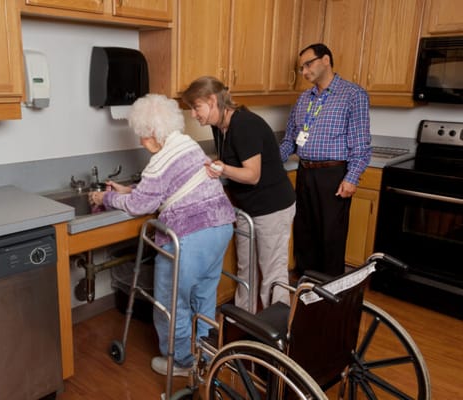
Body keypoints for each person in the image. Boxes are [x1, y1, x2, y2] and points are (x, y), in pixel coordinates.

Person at [89, 93, 235, 377]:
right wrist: (127, 189)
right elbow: (164, 188)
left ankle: (180, 362)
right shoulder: (187, 146)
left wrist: (105, 198)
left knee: (171, 303)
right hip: (221, 227)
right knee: (204, 295)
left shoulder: (159, 163)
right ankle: (206, 357)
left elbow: (139, 205)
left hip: (189, 238)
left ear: (155, 132)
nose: (142, 142)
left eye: (143, 136)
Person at [181, 76, 296, 312]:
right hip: (246, 209)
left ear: (213, 101)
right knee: (246, 270)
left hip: (272, 208)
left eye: (196, 107)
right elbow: (229, 160)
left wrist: (222, 168)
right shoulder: (219, 127)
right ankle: (243, 324)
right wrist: (218, 165)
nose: (193, 114)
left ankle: (278, 332)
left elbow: (252, 175)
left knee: (273, 273)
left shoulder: (245, 124)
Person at [280, 43, 371, 277]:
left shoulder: (353, 94)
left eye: (308, 64)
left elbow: (361, 146)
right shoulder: (303, 99)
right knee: (304, 233)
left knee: (331, 236)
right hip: (305, 172)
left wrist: (351, 179)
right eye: (301, 68)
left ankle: (330, 294)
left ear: (326, 60)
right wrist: (268, 164)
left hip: (333, 175)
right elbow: (290, 140)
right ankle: (306, 287)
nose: (304, 72)